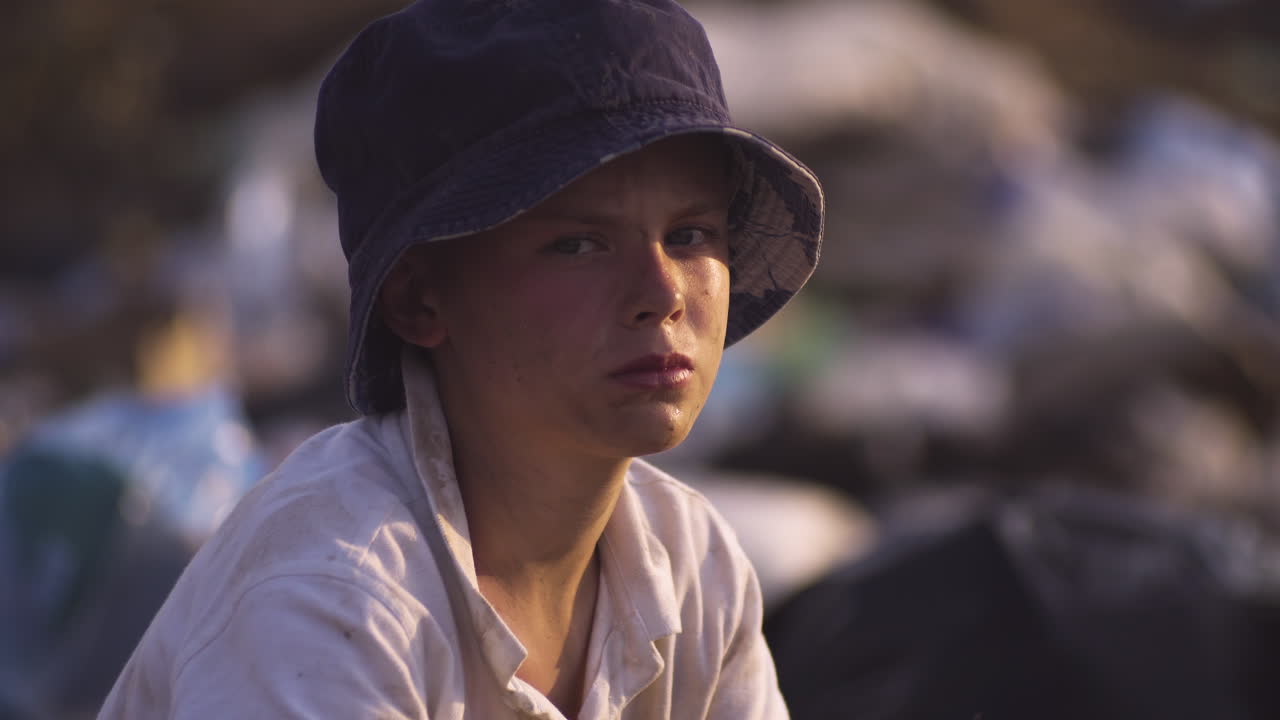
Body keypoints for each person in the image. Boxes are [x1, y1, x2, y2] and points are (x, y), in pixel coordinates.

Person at [98, 0, 823, 717]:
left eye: (692, 235)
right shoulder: (325, 599)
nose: (662, 292)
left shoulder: (694, 570)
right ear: (419, 300)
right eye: (577, 244)